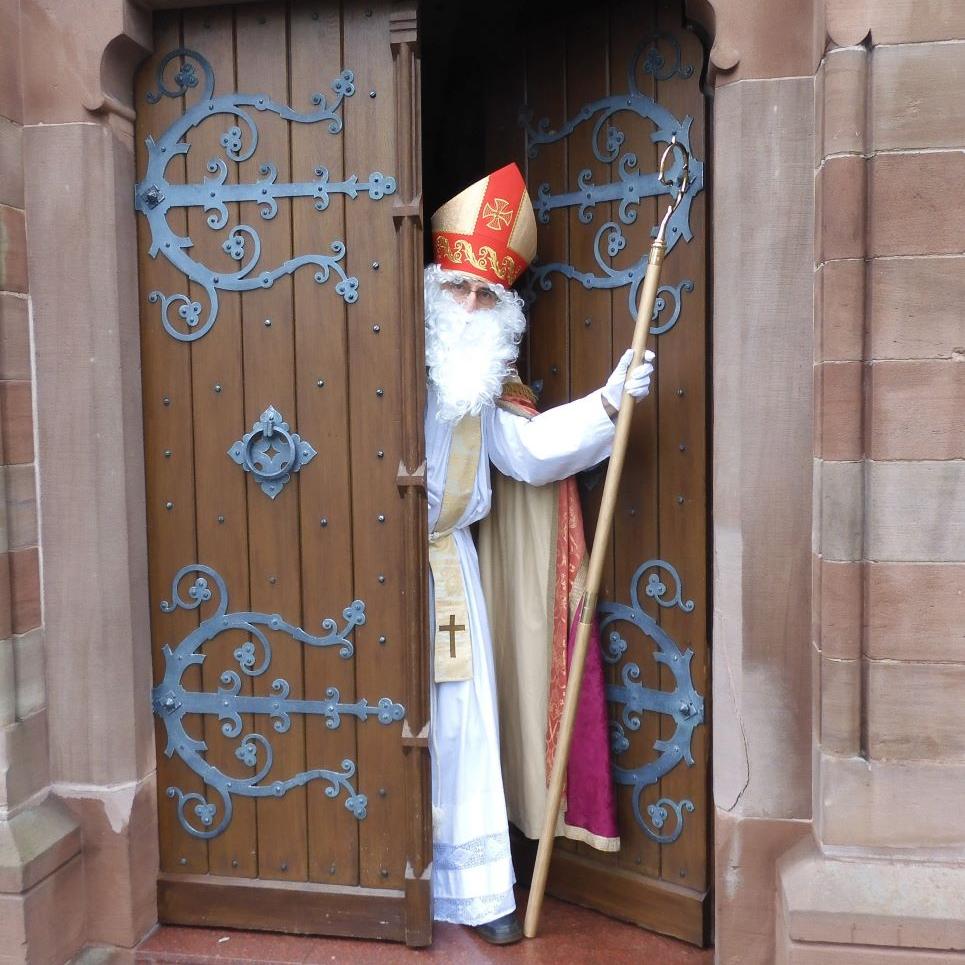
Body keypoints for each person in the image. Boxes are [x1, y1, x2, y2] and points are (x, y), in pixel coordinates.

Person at [424, 163, 654, 944]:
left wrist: (606, 400)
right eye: (457, 288)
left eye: (484, 296)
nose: (468, 307)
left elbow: (526, 453)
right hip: (369, 569)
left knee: (459, 725)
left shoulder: (484, 382)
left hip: (448, 570)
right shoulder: (382, 360)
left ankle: (473, 889)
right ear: (430, 287)